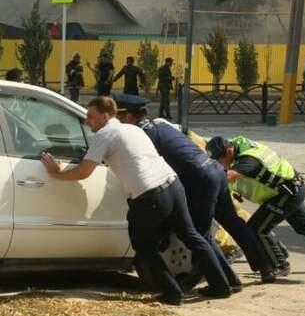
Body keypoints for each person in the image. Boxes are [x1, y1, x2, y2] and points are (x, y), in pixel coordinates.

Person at [40, 96, 233, 305]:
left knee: (143, 245)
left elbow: (84, 172)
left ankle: (173, 293)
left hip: (149, 194)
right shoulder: (132, 129)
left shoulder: (105, 135)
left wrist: (56, 173)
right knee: (192, 236)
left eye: (91, 117)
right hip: (173, 185)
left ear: (105, 116)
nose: (87, 121)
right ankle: (221, 286)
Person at [116, 93, 276, 286]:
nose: (119, 122)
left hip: (198, 179)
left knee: (200, 234)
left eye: (120, 117)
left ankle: (222, 281)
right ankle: (264, 267)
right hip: (214, 169)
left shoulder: (140, 135)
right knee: (233, 221)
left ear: (128, 117)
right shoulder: (161, 124)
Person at [207, 135, 305, 277]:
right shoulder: (236, 144)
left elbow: (226, 176)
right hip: (289, 189)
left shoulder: (248, 160)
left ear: (228, 152)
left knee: (258, 227)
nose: (218, 164)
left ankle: (280, 264)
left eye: (219, 161)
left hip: (286, 194)